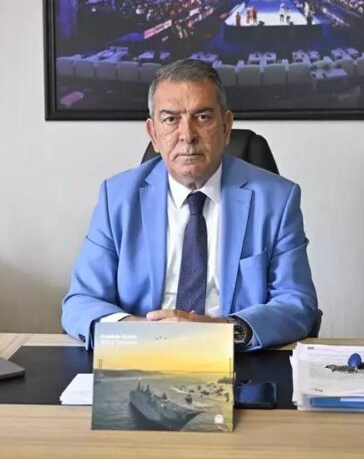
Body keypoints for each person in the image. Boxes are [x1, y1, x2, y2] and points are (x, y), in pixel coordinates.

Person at [61, 59, 318, 351]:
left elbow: (297, 303)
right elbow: (80, 302)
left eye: (203, 117)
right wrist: (137, 331)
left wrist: (225, 331)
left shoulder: (276, 199)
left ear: (226, 126)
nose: (187, 135)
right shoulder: (117, 198)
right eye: (171, 119)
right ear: (153, 133)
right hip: (142, 353)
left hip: (235, 357)